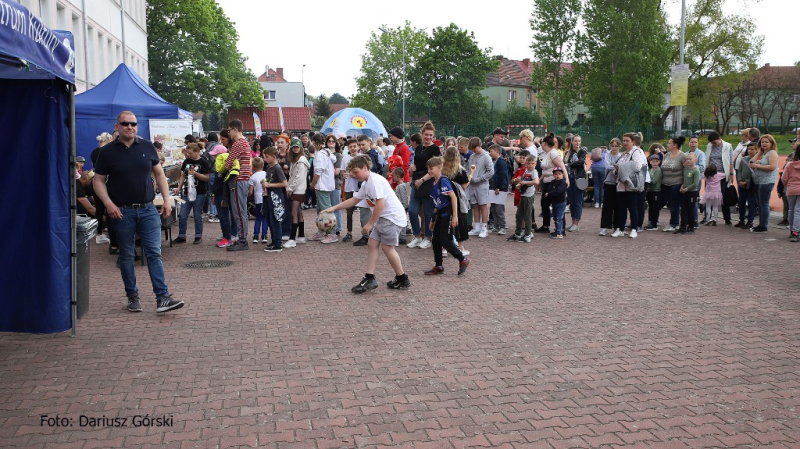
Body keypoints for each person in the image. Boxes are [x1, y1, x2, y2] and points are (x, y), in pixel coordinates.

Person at [93, 111, 184, 314]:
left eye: (133, 124)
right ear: (117, 126)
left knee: (154, 252)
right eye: (125, 124)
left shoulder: (146, 146)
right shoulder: (107, 152)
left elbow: (159, 174)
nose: (130, 127)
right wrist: (108, 203)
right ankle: (132, 296)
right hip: (121, 212)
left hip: (147, 209)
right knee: (126, 255)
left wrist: (167, 200)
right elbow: (97, 181)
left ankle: (163, 298)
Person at [322, 155, 411, 293]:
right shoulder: (366, 183)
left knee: (387, 248)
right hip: (385, 218)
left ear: (365, 168)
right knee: (372, 244)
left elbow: (380, 203)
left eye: (356, 172)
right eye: (352, 172)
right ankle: (370, 277)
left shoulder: (374, 181)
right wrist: (333, 208)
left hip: (391, 218)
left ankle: (402, 278)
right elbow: (354, 200)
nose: (353, 175)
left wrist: (370, 224)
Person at [423, 157, 469, 276]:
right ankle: (439, 265)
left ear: (439, 168)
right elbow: (437, 204)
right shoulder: (434, 183)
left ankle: (462, 259)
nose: (429, 171)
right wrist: (433, 219)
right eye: (428, 168)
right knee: (436, 240)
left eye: (431, 168)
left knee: (444, 239)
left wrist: (454, 216)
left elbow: (453, 198)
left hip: (447, 214)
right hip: (440, 214)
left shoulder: (443, 181)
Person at [407, 122, 441, 249]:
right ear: (422, 134)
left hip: (428, 182)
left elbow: (437, 168)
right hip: (416, 181)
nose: (428, 137)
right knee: (412, 210)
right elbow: (414, 165)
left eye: (431, 135)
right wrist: (412, 168)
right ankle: (417, 236)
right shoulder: (419, 148)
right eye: (426, 134)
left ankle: (428, 237)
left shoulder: (435, 149)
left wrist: (422, 179)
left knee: (428, 212)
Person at [611, 133, 647, 238]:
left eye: (627, 141)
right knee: (621, 207)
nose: (625, 143)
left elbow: (638, 166)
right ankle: (620, 228)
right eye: (624, 141)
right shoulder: (623, 154)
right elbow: (616, 170)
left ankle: (634, 229)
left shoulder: (636, 152)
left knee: (632, 207)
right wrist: (616, 170)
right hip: (621, 185)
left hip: (631, 184)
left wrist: (621, 168)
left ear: (633, 142)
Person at [224, 120, 252, 251]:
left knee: (239, 212)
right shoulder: (245, 142)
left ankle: (242, 240)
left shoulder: (237, 144)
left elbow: (227, 164)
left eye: (229, 130)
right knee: (242, 211)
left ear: (235, 129)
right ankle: (242, 238)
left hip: (238, 180)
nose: (228, 133)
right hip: (244, 179)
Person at [174, 143, 210, 244]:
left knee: (197, 214)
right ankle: (182, 235)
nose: (188, 155)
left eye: (190, 153)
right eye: (187, 153)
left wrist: (196, 174)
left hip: (200, 192)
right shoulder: (187, 161)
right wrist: (179, 187)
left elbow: (207, 178)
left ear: (197, 152)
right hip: (187, 191)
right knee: (183, 214)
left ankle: (198, 235)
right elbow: (183, 175)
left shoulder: (204, 162)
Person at [535, 133, 568, 234]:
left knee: (557, 205)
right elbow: (546, 170)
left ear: (544, 143)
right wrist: (539, 180)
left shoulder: (553, 153)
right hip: (547, 182)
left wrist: (566, 179)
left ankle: (561, 228)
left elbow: (562, 166)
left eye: (542, 144)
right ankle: (546, 225)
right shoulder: (547, 154)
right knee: (544, 204)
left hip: (554, 183)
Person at [441, 146, 470, 256]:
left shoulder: (442, 169)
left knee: (444, 221)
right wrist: (471, 174)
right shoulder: (460, 170)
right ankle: (460, 246)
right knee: (459, 221)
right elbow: (464, 186)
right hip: (456, 199)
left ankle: (444, 247)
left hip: (444, 197)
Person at [309, 134, 337, 243]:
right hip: (326, 184)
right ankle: (321, 231)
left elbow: (318, 172)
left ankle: (332, 233)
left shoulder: (320, 154)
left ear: (315, 142)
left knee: (326, 209)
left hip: (322, 185)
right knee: (321, 210)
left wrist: (312, 184)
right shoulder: (327, 153)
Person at [260, 146, 288, 252]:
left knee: (275, 220)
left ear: (273, 157)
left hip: (275, 198)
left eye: (266, 157)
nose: (265, 159)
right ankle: (274, 241)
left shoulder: (277, 168)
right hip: (269, 197)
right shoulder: (269, 167)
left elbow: (284, 183)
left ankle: (278, 244)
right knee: (270, 220)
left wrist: (269, 185)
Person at [750, 134, 780, 233]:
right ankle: (761, 224)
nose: (764, 144)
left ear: (772, 143)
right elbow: (751, 162)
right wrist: (758, 153)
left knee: (763, 204)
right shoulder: (764, 154)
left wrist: (757, 166)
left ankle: (763, 225)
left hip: (766, 182)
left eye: (767, 142)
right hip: (759, 181)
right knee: (760, 204)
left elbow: (772, 167)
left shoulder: (772, 153)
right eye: (762, 142)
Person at [704, 132, 734, 225]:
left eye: (715, 142)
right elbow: (707, 158)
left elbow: (731, 161)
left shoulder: (728, 146)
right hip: (711, 175)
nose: (714, 144)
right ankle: (707, 217)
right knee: (709, 196)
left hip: (722, 174)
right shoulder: (709, 146)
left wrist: (731, 173)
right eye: (712, 143)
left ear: (719, 138)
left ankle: (727, 219)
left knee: (724, 196)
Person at [467, 137, 494, 238]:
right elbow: (468, 168)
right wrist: (469, 177)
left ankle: (484, 228)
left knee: (483, 205)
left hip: (482, 185)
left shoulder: (486, 156)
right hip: (472, 185)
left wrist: (479, 179)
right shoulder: (472, 156)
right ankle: (477, 227)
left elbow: (491, 172)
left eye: (475, 148)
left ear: (479, 145)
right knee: (475, 205)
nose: (473, 151)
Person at [509, 154, 540, 242]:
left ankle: (528, 234)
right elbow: (524, 181)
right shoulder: (526, 171)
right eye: (528, 163)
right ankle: (518, 232)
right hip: (523, 194)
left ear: (535, 163)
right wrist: (519, 184)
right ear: (526, 164)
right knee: (519, 215)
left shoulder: (534, 172)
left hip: (529, 196)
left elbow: (536, 181)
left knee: (527, 215)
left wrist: (524, 183)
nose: (530, 165)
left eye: (532, 163)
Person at [285, 138, 309, 248]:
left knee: (294, 212)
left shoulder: (300, 161)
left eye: (297, 147)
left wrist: (290, 189)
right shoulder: (296, 160)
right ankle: (301, 235)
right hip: (298, 189)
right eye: (294, 147)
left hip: (298, 190)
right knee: (298, 212)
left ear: (300, 148)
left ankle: (292, 238)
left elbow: (298, 178)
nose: (295, 149)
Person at [660, 136, 687, 232]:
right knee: (669, 204)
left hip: (676, 184)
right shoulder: (667, 155)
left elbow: (686, 170)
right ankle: (673, 222)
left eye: (669, 143)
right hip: (665, 184)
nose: (667, 145)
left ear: (675, 145)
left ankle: (674, 223)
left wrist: (684, 184)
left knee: (674, 204)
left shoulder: (682, 156)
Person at [599, 138, 622, 236]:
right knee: (607, 206)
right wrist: (616, 166)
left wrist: (617, 166)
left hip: (618, 183)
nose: (614, 148)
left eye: (616, 146)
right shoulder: (607, 155)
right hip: (608, 182)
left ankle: (617, 227)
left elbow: (622, 166)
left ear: (619, 147)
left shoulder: (621, 156)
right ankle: (604, 227)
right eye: (612, 146)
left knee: (618, 206)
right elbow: (607, 166)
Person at [564, 135, 588, 232]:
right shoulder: (568, 153)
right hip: (570, 178)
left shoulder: (583, 152)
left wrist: (569, 164)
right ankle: (573, 221)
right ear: (572, 142)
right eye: (575, 141)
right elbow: (564, 163)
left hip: (579, 178)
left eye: (579, 141)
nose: (577, 143)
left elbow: (581, 162)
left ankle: (576, 223)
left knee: (578, 201)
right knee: (571, 201)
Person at [735, 142, 758, 229]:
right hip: (742, 184)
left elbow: (756, 174)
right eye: (749, 149)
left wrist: (747, 182)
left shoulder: (758, 160)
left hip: (751, 185)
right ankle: (741, 219)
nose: (750, 151)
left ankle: (750, 221)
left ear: (756, 150)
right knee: (741, 202)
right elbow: (739, 170)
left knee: (751, 203)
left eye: (752, 149)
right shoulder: (744, 159)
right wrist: (740, 180)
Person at [781, 141, 800, 242]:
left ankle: (792, 229)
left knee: (791, 210)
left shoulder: (789, 164)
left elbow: (784, 178)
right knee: (798, 210)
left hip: (791, 188)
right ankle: (796, 231)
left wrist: (787, 185)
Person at [488, 144, 508, 234]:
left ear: (497, 152)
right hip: (493, 187)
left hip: (499, 188)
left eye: (491, 151)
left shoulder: (501, 162)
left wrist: (498, 187)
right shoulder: (495, 161)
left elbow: (502, 175)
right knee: (493, 208)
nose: (490, 153)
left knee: (499, 208)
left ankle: (503, 226)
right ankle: (496, 226)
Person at [248, 157, 267, 244]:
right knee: (265, 218)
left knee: (258, 218)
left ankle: (256, 236)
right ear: (263, 165)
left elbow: (250, 192)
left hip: (257, 199)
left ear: (253, 167)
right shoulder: (266, 174)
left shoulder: (252, 177)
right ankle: (264, 235)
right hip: (265, 198)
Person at [547, 167, 569, 239]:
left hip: (561, 203)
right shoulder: (553, 182)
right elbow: (549, 189)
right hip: (554, 202)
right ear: (553, 175)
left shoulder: (563, 183)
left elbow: (558, 191)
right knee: (556, 217)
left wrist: (550, 193)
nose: (558, 176)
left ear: (562, 174)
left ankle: (559, 233)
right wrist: (551, 192)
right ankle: (558, 230)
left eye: (559, 174)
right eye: (556, 174)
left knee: (559, 218)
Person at [392, 168, 410, 245]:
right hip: (400, 207)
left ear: (397, 176)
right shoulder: (400, 185)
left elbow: (404, 197)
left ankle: (402, 237)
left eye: (393, 176)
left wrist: (403, 207)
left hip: (402, 208)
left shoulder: (401, 186)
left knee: (401, 222)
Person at [645, 154, 662, 230]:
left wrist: (648, 180)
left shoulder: (658, 170)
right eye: (653, 161)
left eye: (656, 161)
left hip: (656, 191)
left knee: (655, 208)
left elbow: (653, 181)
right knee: (651, 207)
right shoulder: (650, 170)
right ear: (650, 162)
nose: (655, 163)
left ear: (659, 162)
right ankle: (650, 221)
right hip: (650, 191)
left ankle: (654, 223)